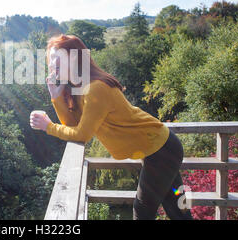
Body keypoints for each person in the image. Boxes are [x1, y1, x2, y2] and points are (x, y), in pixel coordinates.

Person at [30, 34, 193, 220]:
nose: (52, 65)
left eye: (57, 60)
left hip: (161, 151)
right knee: (178, 208)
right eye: (51, 60)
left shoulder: (95, 88)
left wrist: (48, 127)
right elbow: (73, 126)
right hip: (160, 148)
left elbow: (81, 135)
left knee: (143, 211)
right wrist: (56, 96)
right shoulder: (79, 88)